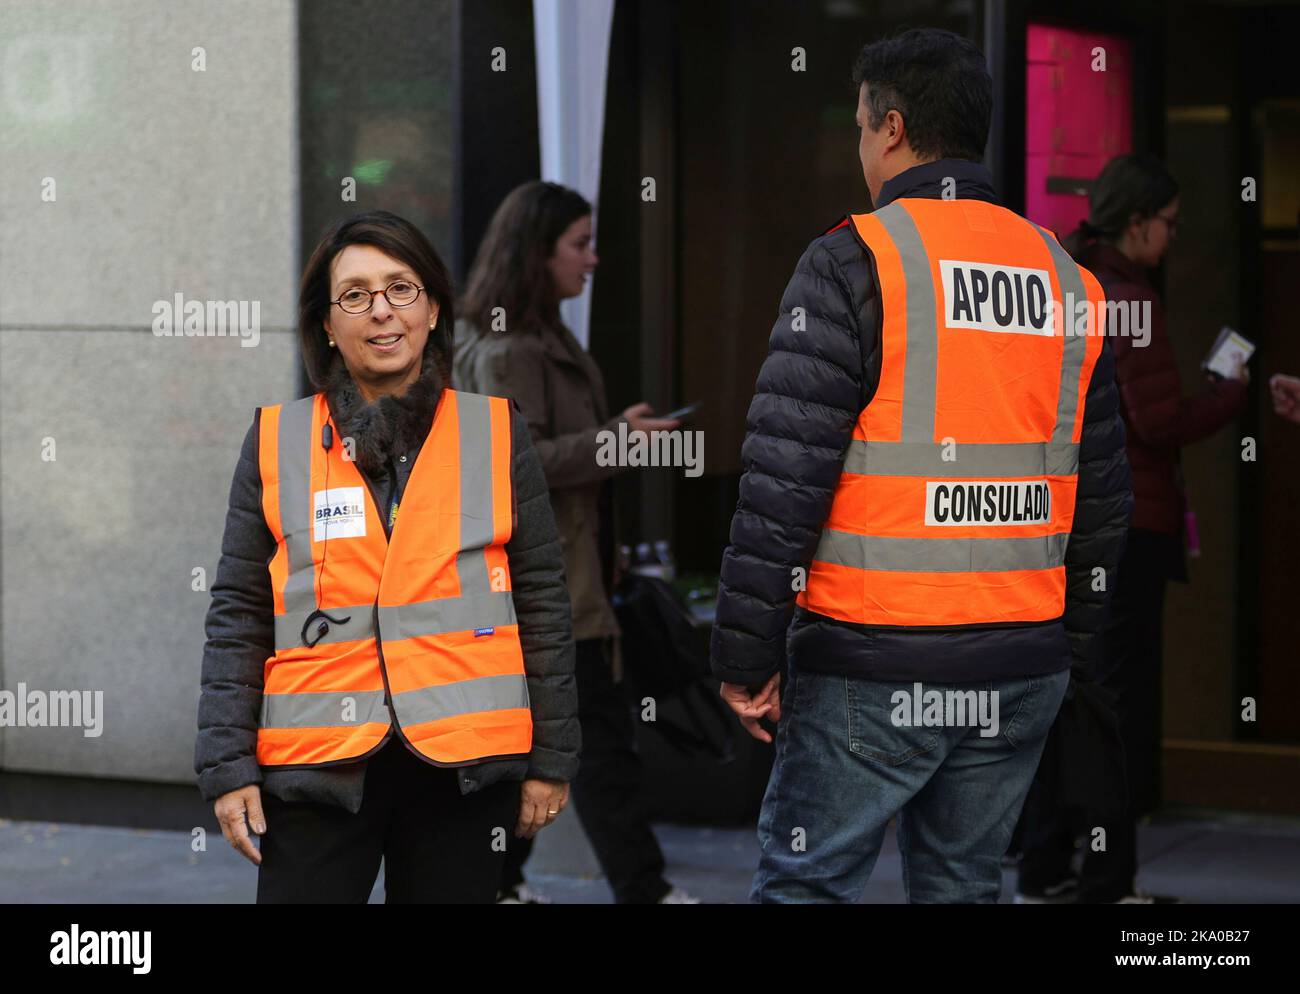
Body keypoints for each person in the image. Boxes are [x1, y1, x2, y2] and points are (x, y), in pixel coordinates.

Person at [710, 28, 1133, 903]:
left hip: (873, 660)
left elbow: (784, 481)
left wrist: (745, 653)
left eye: (862, 128)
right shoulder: (1066, 280)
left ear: (893, 128)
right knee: (965, 887)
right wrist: (1074, 655)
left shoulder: (854, 260)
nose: (861, 148)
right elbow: (1102, 498)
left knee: (808, 886)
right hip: (1019, 665)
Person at [195, 210, 579, 903]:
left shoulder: (495, 431)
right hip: (317, 769)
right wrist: (228, 765)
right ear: (326, 327)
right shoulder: (276, 441)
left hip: (464, 766)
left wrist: (552, 758)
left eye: (401, 288)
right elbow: (240, 610)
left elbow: (543, 599)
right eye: (355, 295)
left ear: (433, 309)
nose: (382, 312)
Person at [453, 180, 697, 904]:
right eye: (579, 244)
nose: (594, 259)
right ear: (537, 252)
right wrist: (619, 441)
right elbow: (518, 464)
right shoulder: (505, 348)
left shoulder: (541, 333)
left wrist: (612, 431)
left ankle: (499, 885)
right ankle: (644, 891)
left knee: (540, 745)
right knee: (597, 748)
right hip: (548, 586)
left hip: (565, 578)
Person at [1016, 155, 1248, 903]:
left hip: (1066, 527)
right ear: (1137, 221)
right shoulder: (1129, 299)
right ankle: (1108, 883)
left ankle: (1045, 867)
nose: (1174, 238)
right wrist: (1228, 394)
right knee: (1116, 708)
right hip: (1128, 528)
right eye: (1170, 224)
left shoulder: (1067, 283)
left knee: (1069, 698)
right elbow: (1159, 421)